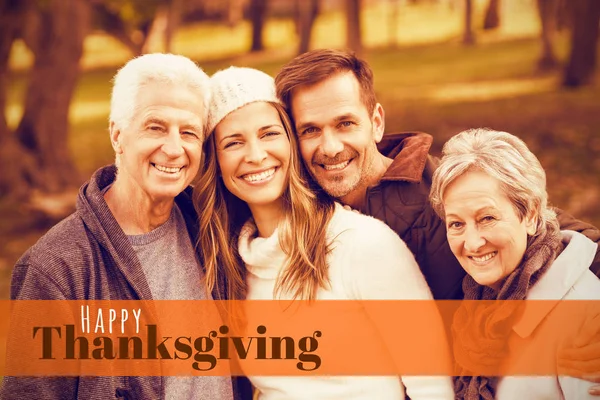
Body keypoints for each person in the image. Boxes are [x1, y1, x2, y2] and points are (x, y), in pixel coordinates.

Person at [195, 66, 454, 400]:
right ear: (214, 161)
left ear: (292, 143)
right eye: (233, 142)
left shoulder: (360, 244)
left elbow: (432, 386)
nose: (256, 155)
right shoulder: (233, 264)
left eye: (269, 133)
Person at [274, 48, 600, 301]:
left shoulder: (443, 186)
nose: (330, 147)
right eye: (310, 130)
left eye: (345, 123)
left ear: (376, 122)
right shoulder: (295, 215)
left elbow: (561, 234)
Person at [0, 54, 237, 400]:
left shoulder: (212, 231)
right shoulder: (55, 269)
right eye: (155, 127)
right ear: (117, 135)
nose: (174, 149)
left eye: (189, 132)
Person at [428, 128, 600, 399]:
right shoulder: (479, 304)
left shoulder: (585, 318)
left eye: (487, 218)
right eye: (456, 224)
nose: (472, 243)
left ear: (530, 215)